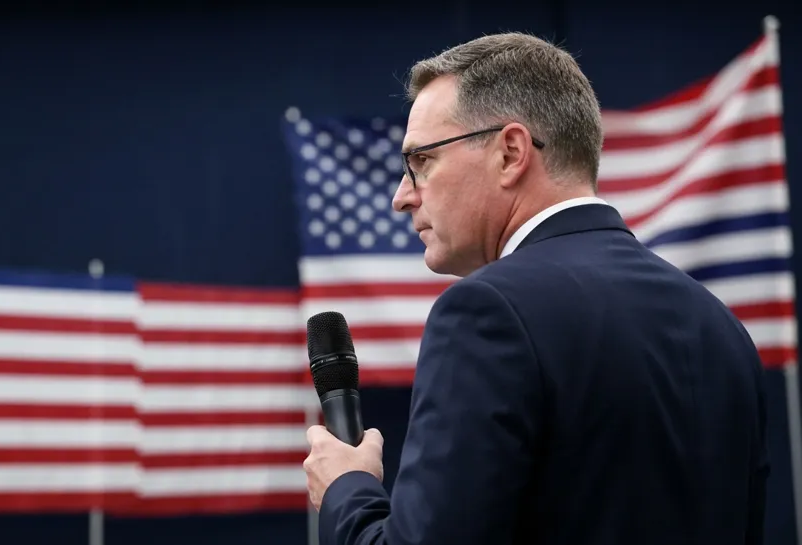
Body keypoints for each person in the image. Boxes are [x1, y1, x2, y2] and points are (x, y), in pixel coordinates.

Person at [303, 32, 769, 545]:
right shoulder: (722, 327)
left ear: (510, 152)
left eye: (422, 161)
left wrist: (347, 490)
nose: (401, 197)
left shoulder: (487, 312)